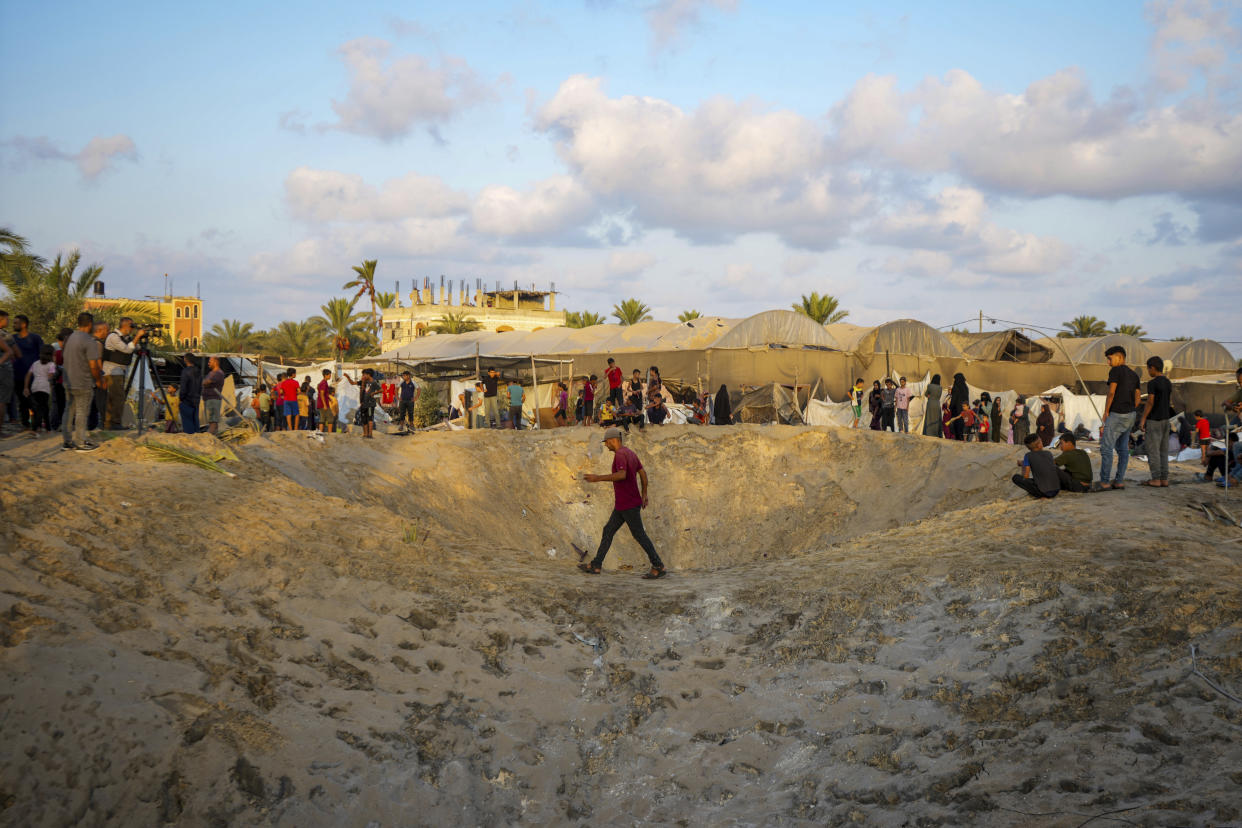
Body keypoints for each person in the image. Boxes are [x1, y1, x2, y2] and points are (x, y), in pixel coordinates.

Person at [577, 426, 666, 579]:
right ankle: (596, 565)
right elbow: (642, 473)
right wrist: (644, 493)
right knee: (608, 530)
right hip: (624, 504)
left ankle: (658, 565)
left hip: (628, 504)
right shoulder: (630, 453)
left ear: (613, 440)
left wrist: (597, 478)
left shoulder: (620, 455)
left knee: (639, 535)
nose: (605, 445)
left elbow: (622, 475)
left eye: (607, 442)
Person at [1098, 345, 1141, 490]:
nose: (1108, 363)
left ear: (1119, 357)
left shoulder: (1115, 371)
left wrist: (1106, 411)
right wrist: (1130, 408)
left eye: (1110, 359)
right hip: (1131, 414)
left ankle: (1104, 482)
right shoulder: (1134, 375)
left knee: (1106, 448)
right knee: (1123, 449)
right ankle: (1119, 481)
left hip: (1117, 413)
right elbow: (1138, 399)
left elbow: (1111, 393)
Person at [61, 312, 103, 451]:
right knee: (81, 412)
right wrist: (98, 380)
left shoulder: (70, 337)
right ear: (90, 324)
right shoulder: (89, 341)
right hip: (83, 382)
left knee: (69, 410)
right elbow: (93, 365)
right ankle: (80, 442)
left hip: (68, 381)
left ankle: (67, 441)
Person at [100, 317, 141, 430]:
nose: (132, 329)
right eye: (131, 326)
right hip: (112, 371)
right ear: (126, 326)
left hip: (120, 371)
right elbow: (127, 350)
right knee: (118, 397)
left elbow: (136, 347)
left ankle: (110, 423)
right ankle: (114, 423)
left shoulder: (126, 338)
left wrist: (138, 339)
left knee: (114, 397)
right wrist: (137, 336)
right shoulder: (113, 337)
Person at [1138, 356, 1173, 488]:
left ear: (1152, 368)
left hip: (1154, 421)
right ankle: (1164, 479)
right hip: (1166, 420)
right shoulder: (1168, 382)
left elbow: (1150, 401)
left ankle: (1156, 479)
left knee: (1153, 451)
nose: (1148, 371)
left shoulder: (1152, 383)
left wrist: (1143, 419)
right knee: (1164, 451)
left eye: (1148, 368)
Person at [9, 314, 44, 431]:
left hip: (33, 376)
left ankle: (37, 424)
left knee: (34, 401)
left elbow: (42, 355)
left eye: (16, 323)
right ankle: (25, 424)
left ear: (23, 324)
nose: (13, 325)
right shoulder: (12, 339)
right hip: (17, 375)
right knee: (22, 402)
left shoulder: (35, 338)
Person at [1012, 434, 1060, 499]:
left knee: (1015, 477)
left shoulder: (1028, 456)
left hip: (1044, 492)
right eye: (1041, 441)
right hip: (1056, 489)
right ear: (1039, 445)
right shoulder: (1049, 453)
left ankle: (1039, 495)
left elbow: (1025, 476)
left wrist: (1023, 465)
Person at [23, 344, 56, 433]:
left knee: (41, 407)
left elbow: (28, 375)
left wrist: (26, 387)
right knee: (42, 408)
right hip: (44, 388)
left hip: (35, 387)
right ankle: (36, 428)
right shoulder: (51, 365)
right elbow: (50, 377)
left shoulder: (35, 363)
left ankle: (47, 427)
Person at [342, 368, 380, 438]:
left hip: (370, 404)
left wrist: (374, 393)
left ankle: (370, 434)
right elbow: (352, 383)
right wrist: (347, 377)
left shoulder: (374, 382)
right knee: (364, 419)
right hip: (363, 404)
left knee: (370, 418)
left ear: (369, 375)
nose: (363, 376)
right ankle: (365, 434)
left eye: (364, 374)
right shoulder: (363, 382)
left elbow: (381, 390)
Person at [201, 356, 226, 434]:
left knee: (213, 421)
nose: (208, 363)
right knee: (212, 420)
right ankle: (215, 437)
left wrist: (203, 382)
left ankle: (210, 437)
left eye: (210, 362)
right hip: (209, 399)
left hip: (213, 399)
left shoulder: (218, 373)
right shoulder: (211, 373)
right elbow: (205, 382)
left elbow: (206, 382)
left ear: (215, 362)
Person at [178, 354, 202, 434]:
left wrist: (181, 398)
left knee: (188, 426)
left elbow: (183, 388)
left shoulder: (185, 371)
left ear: (185, 360)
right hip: (196, 401)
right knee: (195, 423)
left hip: (187, 401)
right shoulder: (199, 371)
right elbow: (200, 387)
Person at [0, 310, 13, 433]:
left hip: (3, 370)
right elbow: (11, 351)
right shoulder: (5, 335)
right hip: (4, 370)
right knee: (2, 400)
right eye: (6, 319)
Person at [948, 373, 969, 441]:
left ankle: (958, 438)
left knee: (957, 425)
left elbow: (954, 398)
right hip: (964, 409)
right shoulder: (965, 387)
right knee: (963, 424)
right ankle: (963, 438)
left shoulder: (956, 387)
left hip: (956, 409)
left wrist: (950, 407)